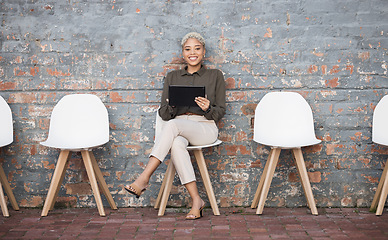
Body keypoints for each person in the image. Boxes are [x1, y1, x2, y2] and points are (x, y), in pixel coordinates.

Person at [125, 32, 226, 220]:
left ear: (203, 52)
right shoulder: (172, 77)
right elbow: (163, 113)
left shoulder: (215, 76)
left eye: (197, 48)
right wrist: (172, 106)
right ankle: (197, 201)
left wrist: (207, 108)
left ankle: (144, 178)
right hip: (178, 127)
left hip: (204, 127)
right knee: (177, 144)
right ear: (183, 53)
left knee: (172, 126)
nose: (192, 52)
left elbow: (220, 112)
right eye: (188, 49)